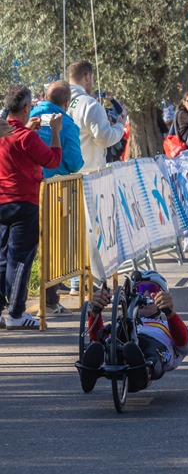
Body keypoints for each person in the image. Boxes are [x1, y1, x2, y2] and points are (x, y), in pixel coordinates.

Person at [0, 86, 62, 329]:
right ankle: (16, 312)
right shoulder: (27, 137)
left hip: (2, 200)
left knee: (2, 258)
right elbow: (53, 160)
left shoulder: (8, 133)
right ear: (26, 108)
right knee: (20, 259)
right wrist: (55, 132)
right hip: (24, 202)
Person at [76, 271, 188, 393]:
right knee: (103, 341)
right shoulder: (119, 322)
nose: (146, 293)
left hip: (153, 346)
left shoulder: (168, 325)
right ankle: (90, 370)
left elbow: (184, 344)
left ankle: (142, 373)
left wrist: (170, 313)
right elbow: (95, 336)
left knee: (152, 350)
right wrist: (96, 312)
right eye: (140, 289)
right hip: (120, 340)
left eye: (152, 288)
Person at [30, 81, 84, 315]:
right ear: (66, 103)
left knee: (26, 249)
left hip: (26, 190)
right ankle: (51, 300)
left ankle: (18, 302)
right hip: (56, 191)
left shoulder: (27, 118)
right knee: (54, 245)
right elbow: (74, 162)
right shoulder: (67, 124)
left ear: (43, 96)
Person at [67, 60, 125, 173]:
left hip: (65, 178)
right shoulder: (90, 104)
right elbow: (105, 139)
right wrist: (120, 126)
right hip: (90, 176)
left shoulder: (58, 102)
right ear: (87, 77)